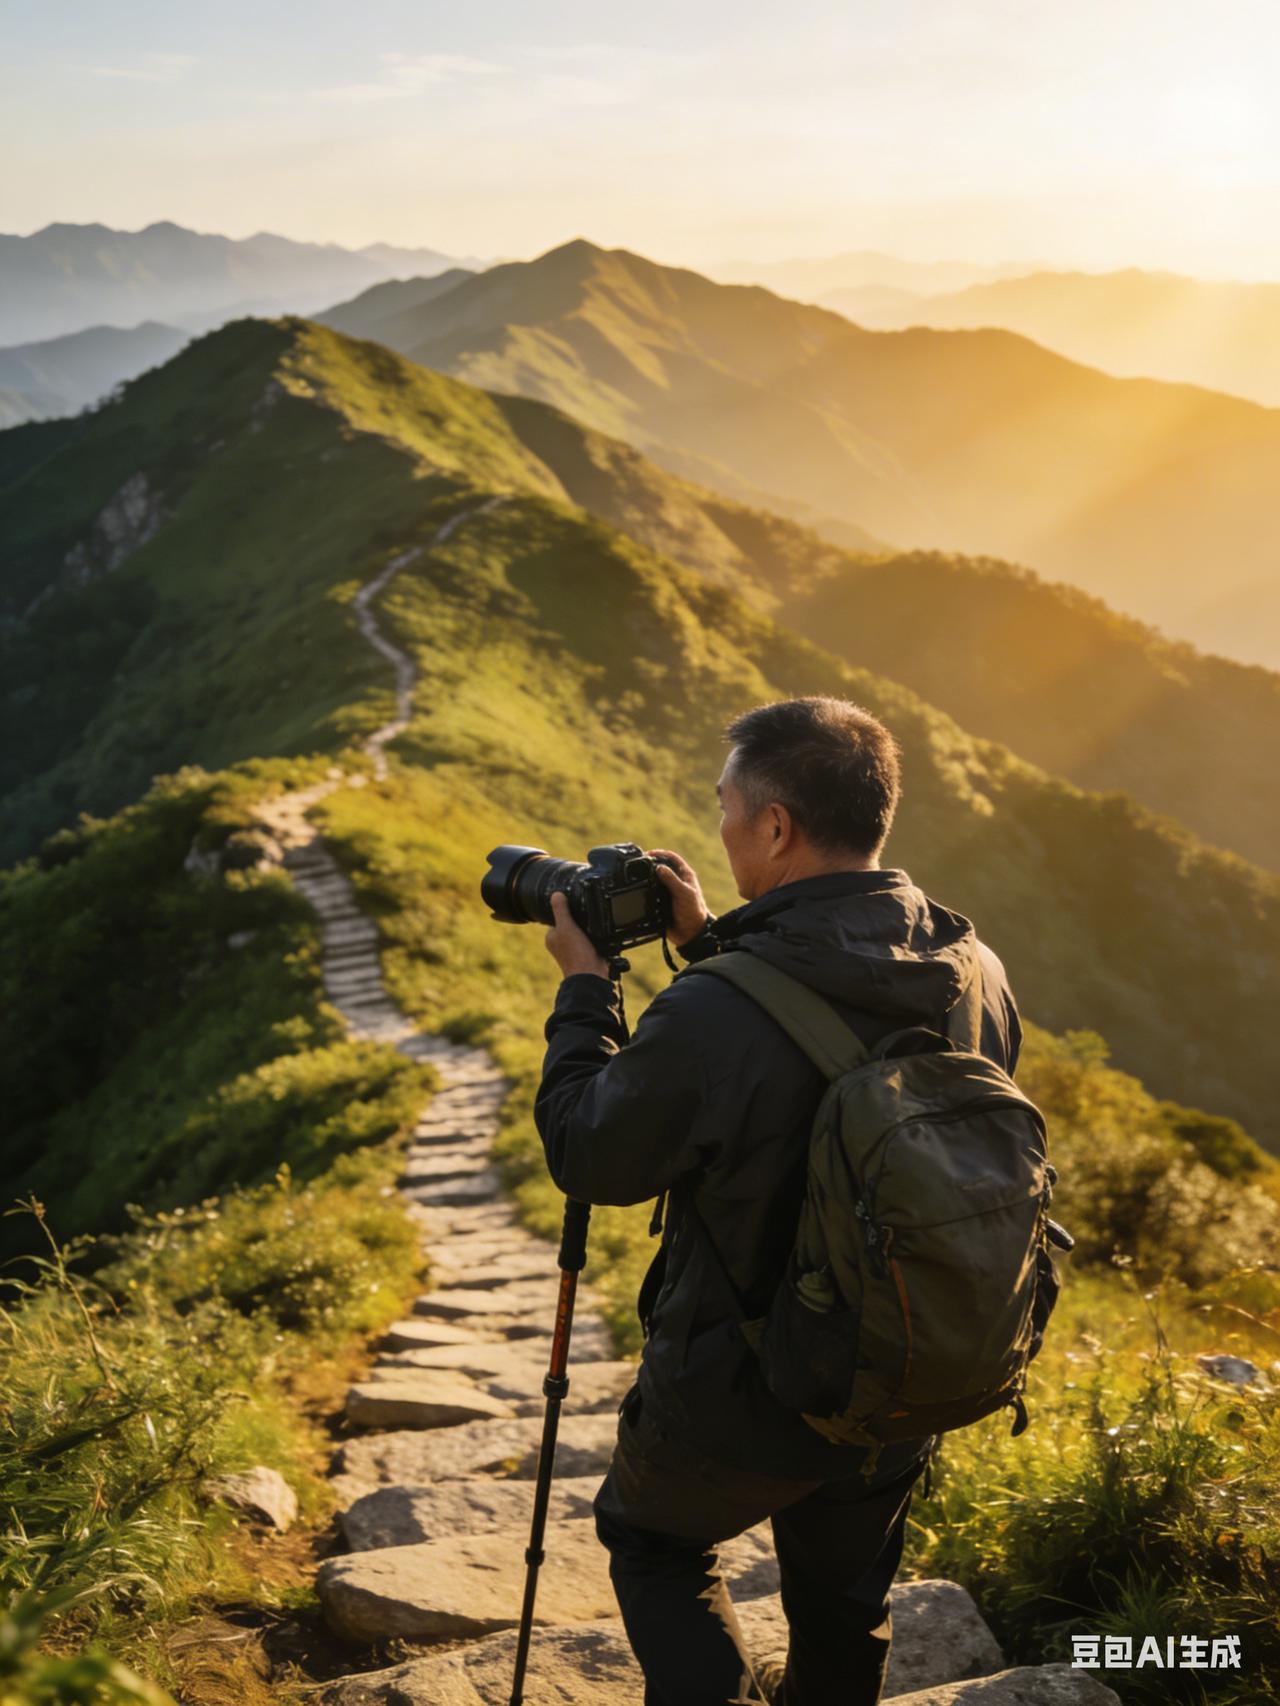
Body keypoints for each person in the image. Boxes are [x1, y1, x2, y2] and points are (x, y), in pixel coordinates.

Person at [534, 695, 1022, 1706]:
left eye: (725, 805)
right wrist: (716, 943)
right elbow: (828, 1049)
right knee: (843, 1602)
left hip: (743, 1391)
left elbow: (591, 1155)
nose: (716, 824)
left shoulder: (713, 1010)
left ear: (773, 826)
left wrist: (584, 990)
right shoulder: (975, 969)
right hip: (904, 1364)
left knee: (653, 1541)